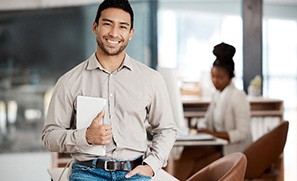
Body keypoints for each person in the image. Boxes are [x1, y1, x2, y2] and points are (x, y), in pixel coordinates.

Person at [41, 0, 177, 180]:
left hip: (134, 172)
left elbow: (167, 129)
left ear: (130, 33)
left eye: (122, 26)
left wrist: (152, 165)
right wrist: (85, 137)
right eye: (107, 24)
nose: (114, 33)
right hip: (87, 172)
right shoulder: (69, 81)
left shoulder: (151, 80)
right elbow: (49, 137)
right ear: (95, 27)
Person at [173, 42, 253, 180]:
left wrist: (211, 133)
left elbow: (242, 133)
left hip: (233, 150)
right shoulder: (217, 95)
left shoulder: (237, 96)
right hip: (218, 145)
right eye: (213, 76)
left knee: (196, 163)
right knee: (188, 151)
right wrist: (200, 128)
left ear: (230, 76)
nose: (216, 81)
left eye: (220, 77)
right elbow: (207, 120)